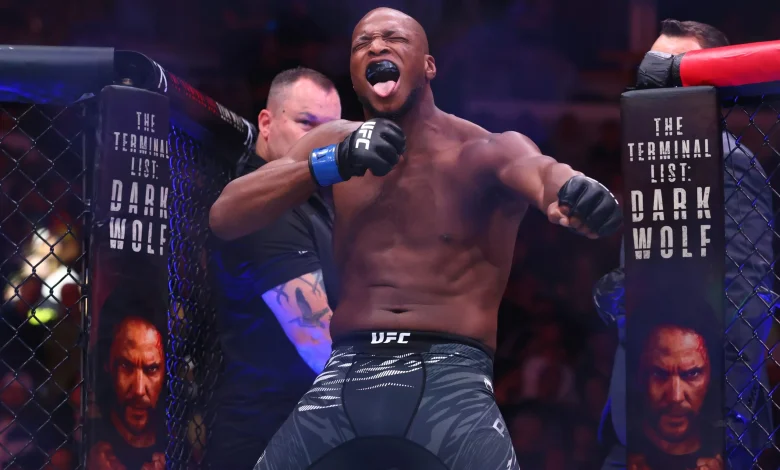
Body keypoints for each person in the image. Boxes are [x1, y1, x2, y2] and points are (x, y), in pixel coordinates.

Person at [209, 8, 622, 470]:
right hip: (345, 373)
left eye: (394, 38)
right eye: (362, 43)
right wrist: (332, 162)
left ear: (428, 66)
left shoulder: (482, 150)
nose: (377, 47)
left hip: (451, 379)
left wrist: (576, 191)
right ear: (354, 72)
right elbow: (226, 215)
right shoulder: (333, 142)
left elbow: (543, 173)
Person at [595, 19, 774, 470]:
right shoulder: (652, 157)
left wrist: (716, 426)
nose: (659, 79)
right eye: (654, 67)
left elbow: (749, 298)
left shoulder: (727, 161)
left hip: (701, 433)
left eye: (675, 69)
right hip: (638, 423)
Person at [210, 67, 342, 470]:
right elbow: (320, 347)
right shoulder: (264, 209)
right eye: (306, 123)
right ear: (266, 124)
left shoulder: (310, 198)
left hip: (303, 434)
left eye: (331, 130)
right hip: (266, 440)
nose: (319, 139)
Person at [626, 296, 723, 470]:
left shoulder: (732, 448)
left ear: (711, 374)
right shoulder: (619, 450)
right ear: (639, 374)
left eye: (692, 374)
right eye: (659, 373)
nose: (675, 397)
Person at [87, 291, 166, 470]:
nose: (139, 390)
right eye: (126, 366)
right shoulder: (87, 438)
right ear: (107, 364)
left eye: (152, 369)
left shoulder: (176, 441)